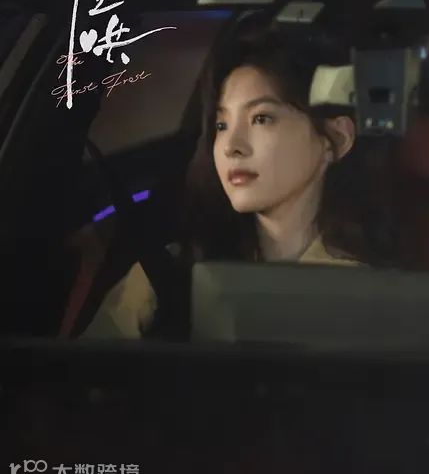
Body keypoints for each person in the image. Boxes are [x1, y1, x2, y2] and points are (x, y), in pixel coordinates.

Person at [82, 19, 396, 339]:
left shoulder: (370, 297)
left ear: (336, 138)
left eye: (261, 118)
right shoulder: (166, 277)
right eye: (221, 125)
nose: (232, 146)